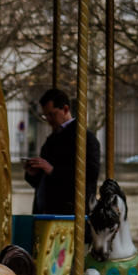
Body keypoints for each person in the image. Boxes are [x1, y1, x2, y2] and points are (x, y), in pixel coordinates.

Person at [23, 87, 99, 216]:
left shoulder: (85, 138)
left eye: (52, 114)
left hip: (69, 211)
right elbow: (42, 182)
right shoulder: (51, 139)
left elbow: (89, 176)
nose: (48, 119)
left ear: (65, 109)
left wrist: (52, 170)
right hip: (45, 210)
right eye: (45, 115)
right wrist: (33, 173)